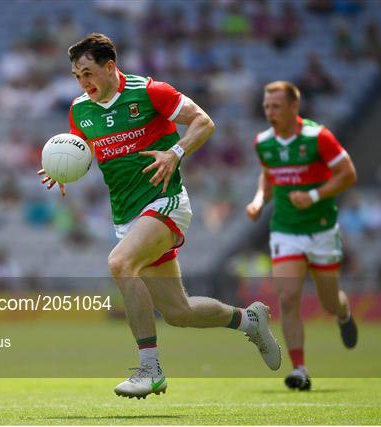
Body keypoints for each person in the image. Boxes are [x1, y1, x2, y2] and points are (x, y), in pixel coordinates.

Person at [38, 33, 281, 399]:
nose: (83, 82)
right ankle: (250, 320)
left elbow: (203, 122)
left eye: (88, 73)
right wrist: (63, 168)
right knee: (178, 312)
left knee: (120, 264)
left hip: (166, 202)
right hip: (128, 216)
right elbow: (83, 150)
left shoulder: (151, 92)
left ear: (109, 67)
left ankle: (150, 369)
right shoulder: (80, 111)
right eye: (76, 76)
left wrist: (175, 153)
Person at [246, 81, 358, 391]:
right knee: (287, 297)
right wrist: (258, 201)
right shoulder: (264, 142)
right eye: (267, 106)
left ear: (294, 107)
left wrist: (313, 195)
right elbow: (268, 175)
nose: (270, 112)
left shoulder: (318, 137)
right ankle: (300, 369)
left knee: (329, 300)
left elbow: (348, 174)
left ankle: (344, 312)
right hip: (285, 229)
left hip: (321, 227)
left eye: (276, 106)